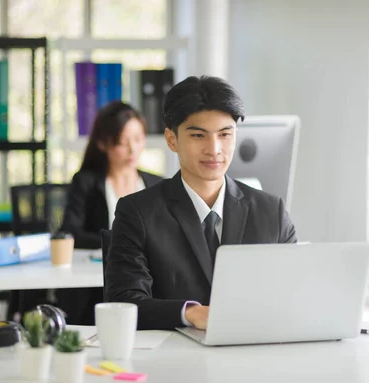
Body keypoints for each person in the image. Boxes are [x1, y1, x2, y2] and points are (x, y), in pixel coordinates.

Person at [105, 76, 297, 331]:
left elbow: (294, 297)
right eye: (198, 135)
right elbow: (124, 303)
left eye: (225, 134)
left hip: (253, 356)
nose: (214, 148)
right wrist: (190, 313)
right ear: (172, 140)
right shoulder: (138, 212)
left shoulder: (271, 212)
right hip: (171, 361)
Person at [57, 100, 163, 325]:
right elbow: (70, 232)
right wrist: (121, 242)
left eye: (138, 139)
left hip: (148, 281)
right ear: (104, 144)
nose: (133, 149)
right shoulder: (86, 182)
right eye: (123, 142)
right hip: (96, 285)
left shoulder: (157, 185)